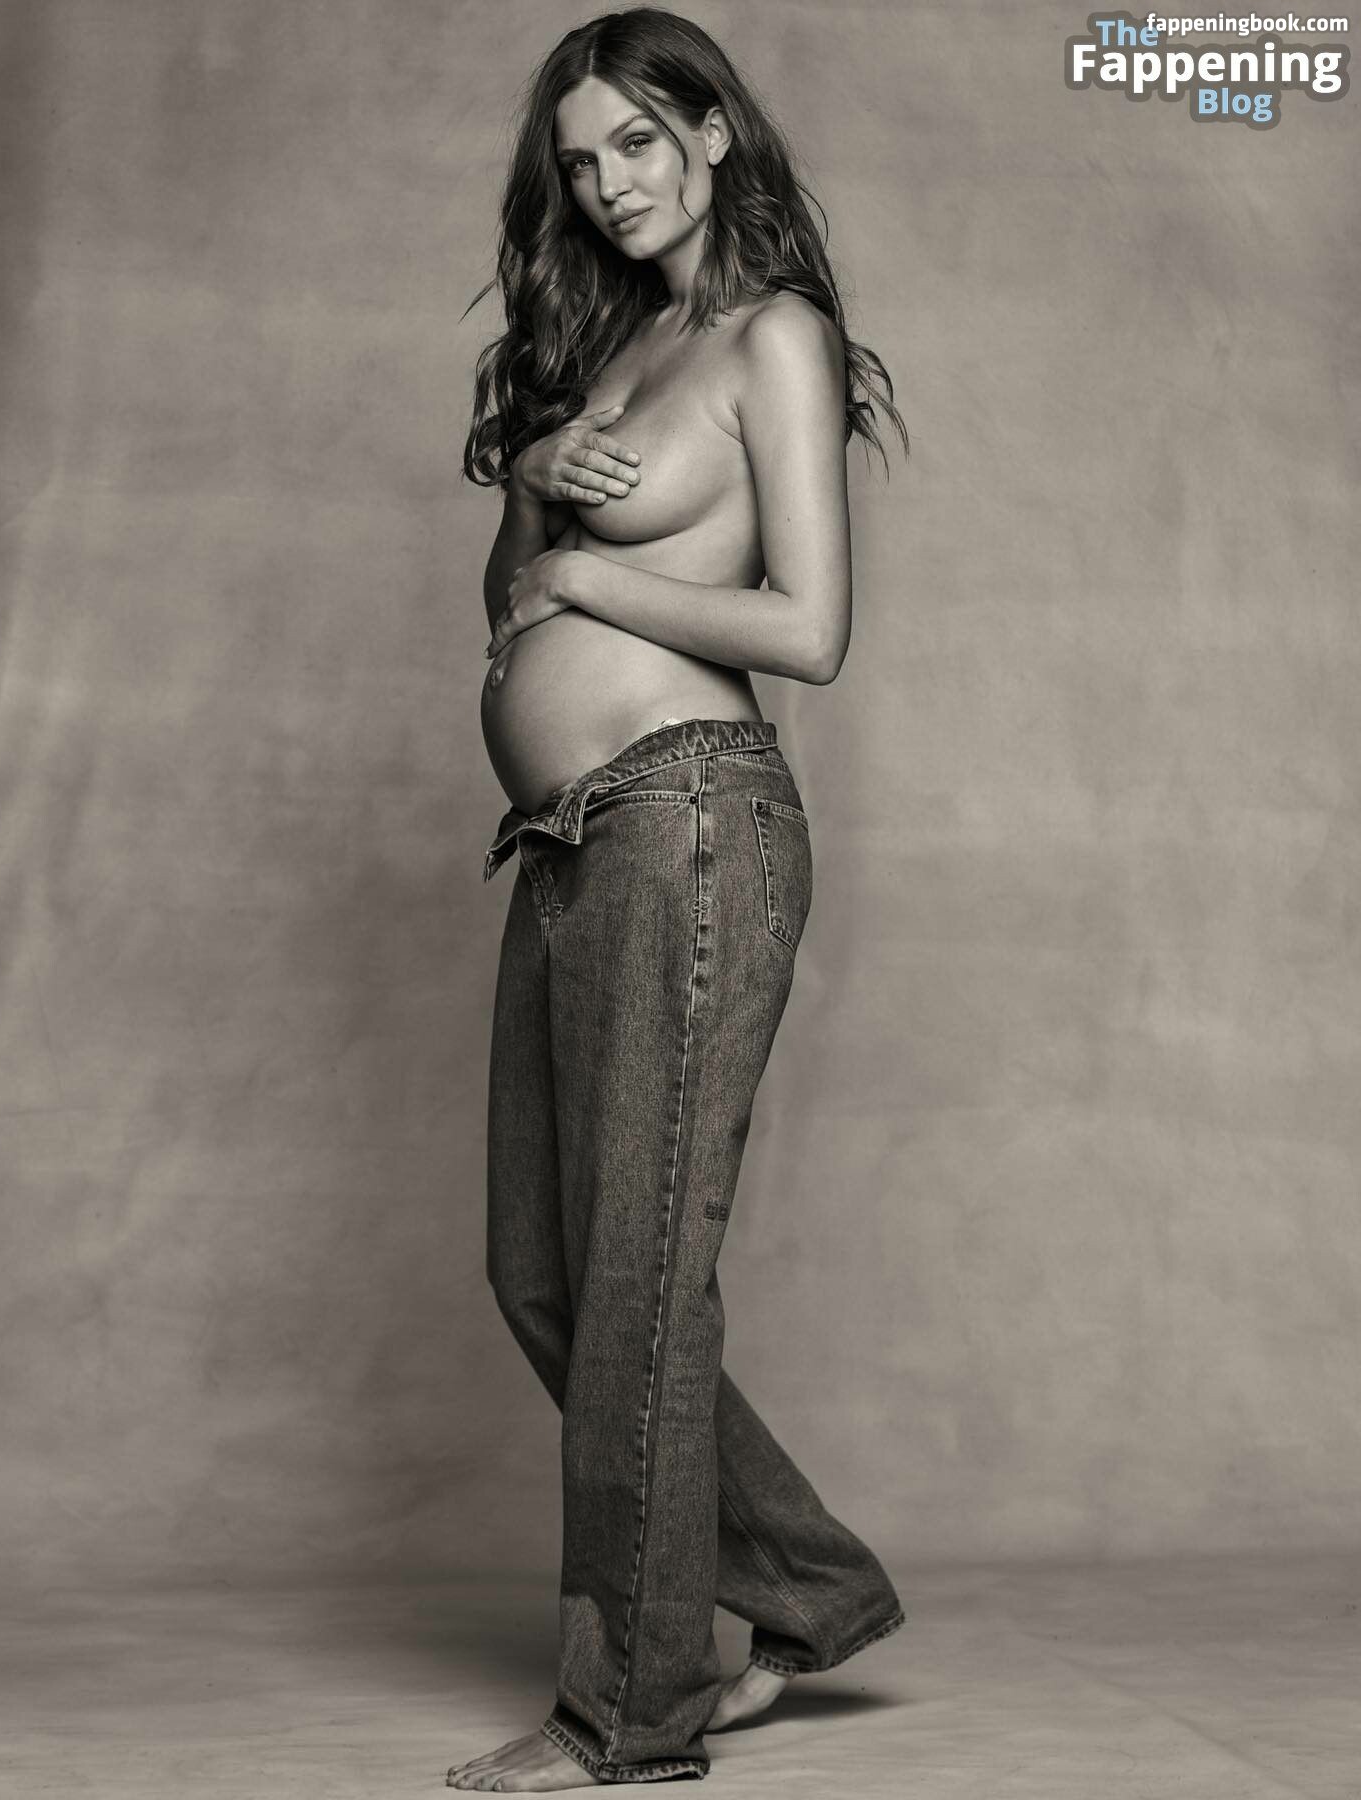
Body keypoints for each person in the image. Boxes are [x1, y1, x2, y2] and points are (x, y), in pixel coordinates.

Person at [452, 8, 908, 1789]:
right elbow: (511, 608)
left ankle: (627, 1715)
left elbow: (810, 627)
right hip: (574, 836)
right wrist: (533, 496)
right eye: (580, 162)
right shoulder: (618, 348)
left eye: (637, 141)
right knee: (545, 1274)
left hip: (690, 822)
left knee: (641, 1276)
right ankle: (805, 1586)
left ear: (711, 133)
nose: (608, 184)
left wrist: (585, 574)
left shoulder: (771, 334)